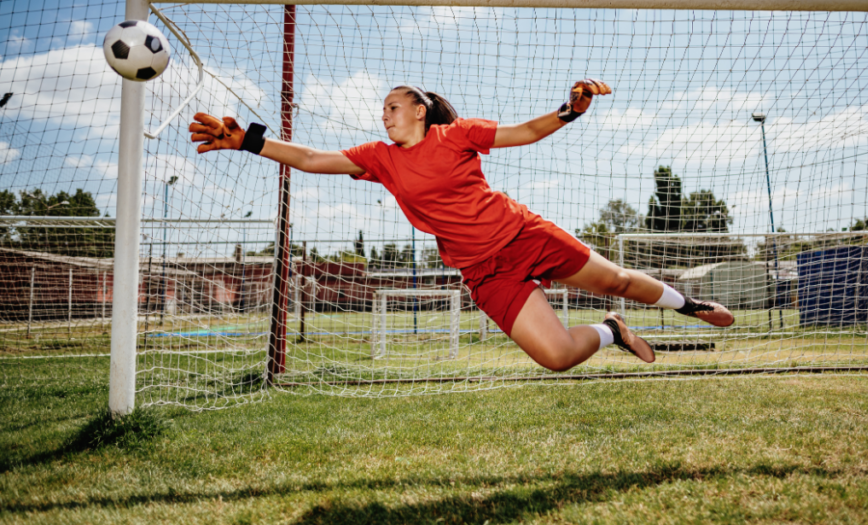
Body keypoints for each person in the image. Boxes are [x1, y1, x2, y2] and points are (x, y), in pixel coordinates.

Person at [189, 80, 734, 372]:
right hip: (483, 270)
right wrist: (247, 141)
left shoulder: (458, 135)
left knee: (614, 278)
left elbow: (523, 132)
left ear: (421, 110)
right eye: (382, 109)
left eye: (394, 105)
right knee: (558, 358)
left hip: (524, 235)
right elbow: (309, 158)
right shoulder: (378, 158)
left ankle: (689, 307)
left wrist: (569, 111)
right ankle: (613, 331)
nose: (385, 114)